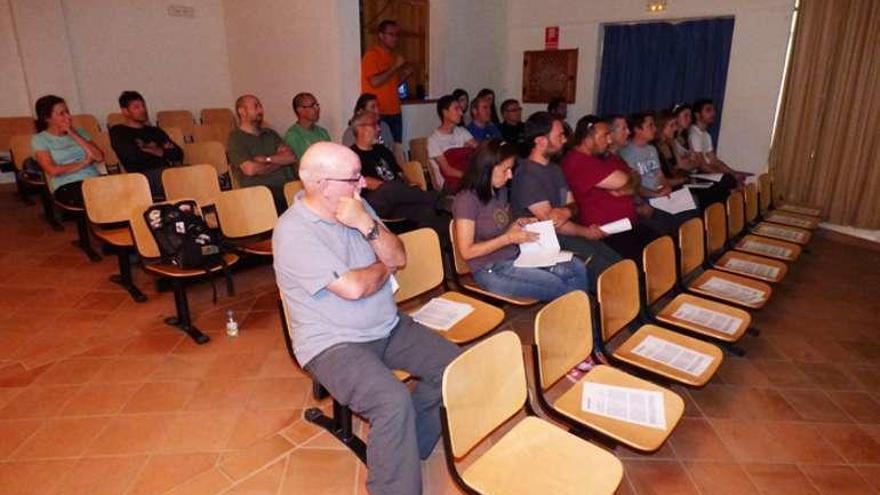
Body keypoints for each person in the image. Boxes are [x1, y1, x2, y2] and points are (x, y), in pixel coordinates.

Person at [273, 141, 460, 495]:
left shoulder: (357, 207)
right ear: (321, 184)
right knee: (392, 401)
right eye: (354, 177)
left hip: (385, 325)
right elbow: (355, 288)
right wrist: (381, 265)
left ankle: (407, 446)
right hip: (332, 343)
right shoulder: (293, 231)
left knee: (452, 365)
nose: (363, 184)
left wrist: (366, 225)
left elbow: (399, 256)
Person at [453, 139, 588, 300]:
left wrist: (517, 225)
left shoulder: (499, 190)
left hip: (515, 257)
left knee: (577, 266)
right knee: (561, 286)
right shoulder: (466, 199)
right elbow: (467, 252)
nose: (510, 176)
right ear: (487, 169)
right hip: (489, 269)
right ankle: (580, 321)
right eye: (506, 170)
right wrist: (509, 238)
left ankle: (578, 321)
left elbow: (500, 229)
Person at [511, 111, 621, 291]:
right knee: (610, 276)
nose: (564, 140)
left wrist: (567, 212)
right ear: (540, 141)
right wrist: (586, 231)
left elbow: (573, 206)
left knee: (621, 265)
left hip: (567, 235)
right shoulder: (527, 175)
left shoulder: (555, 169)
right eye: (560, 135)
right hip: (544, 243)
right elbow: (552, 224)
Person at [563, 115, 660, 261]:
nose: (609, 140)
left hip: (627, 225)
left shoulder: (601, 157)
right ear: (588, 139)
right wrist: (628, 182)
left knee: (664, 245)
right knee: (653, 256)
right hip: (607, 232)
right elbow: (625, 179)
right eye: (605, 136)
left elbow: (635, 178)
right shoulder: (578, 161)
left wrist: (628, 185)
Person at [349, 111, 449, 242]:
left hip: (397, 200)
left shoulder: (382, 150)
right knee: (388, 188)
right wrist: (398, 187)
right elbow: (366, 182)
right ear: (360, 128)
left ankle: (434, 249)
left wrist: (407, 186)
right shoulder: (351, 155)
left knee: (426, 211)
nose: (379, 129)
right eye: (374, 125)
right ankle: (438, 198)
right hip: (373, 204)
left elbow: (399, 174)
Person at [620, 112, 698, 235]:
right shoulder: (627, 152)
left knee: (693, 204)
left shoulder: (651, 149)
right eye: (650, 126)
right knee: (674, 220)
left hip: (659, 194)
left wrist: (666, 187)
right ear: (638, 129)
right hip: (646, 197)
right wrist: (655, 194)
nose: (655, 129)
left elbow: (660, 175)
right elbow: (634, 186)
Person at [227, 94, 298, 213]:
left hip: (287, 188)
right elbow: (250, 169)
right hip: (261, 193)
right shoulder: (236, 138)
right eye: (256, 106)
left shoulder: (270, 134)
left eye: (260, 106)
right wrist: (279, 161)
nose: (260, 110)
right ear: (242, 111)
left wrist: (266, 159)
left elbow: (291, 157)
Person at [31, 95, 104, 208]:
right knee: (101, 203)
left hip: (94, 179)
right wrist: (84, 163)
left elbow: (99, 157)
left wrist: (72, 133)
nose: (68, 116)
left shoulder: (80, 132)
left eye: (68, 112)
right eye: (62, 113)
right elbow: (53, 171)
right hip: (67, 185)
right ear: (47, 118)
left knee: (126, 194)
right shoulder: (40, 139)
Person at [109, 91, 183, 198]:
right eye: (137, 107)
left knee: (200, 173)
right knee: (175, 177)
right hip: (141, 177)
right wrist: (162, 150)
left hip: (166, 172)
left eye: (143, 106)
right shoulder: (119, 131)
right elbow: (132, 157)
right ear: (125, 111)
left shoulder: (154, 131)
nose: (143, 110)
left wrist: (147, 149)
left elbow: (178, 154)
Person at [361, 20, 414, 143]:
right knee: (379, 149)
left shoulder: (393, 57)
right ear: (381, 35)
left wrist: (405, 75)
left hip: (395, 111)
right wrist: (395, 67)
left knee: (396, 149)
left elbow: (392, 84)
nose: (395, 38)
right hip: (378, 113)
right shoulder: (372, 55)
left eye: (397, 35)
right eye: (391, 34)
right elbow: (374, 82)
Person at [688, 98, 749, 184]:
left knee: (735, 179)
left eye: (713, 110)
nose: (713, 113)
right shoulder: (694, 134)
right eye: (708, 110)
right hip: (699, 175)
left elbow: (714, 160)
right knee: (730, 181)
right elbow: (701, 165)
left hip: (708, 171)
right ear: (697, 115)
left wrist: (733, 172)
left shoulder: (706, 135)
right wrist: (726, 175)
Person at [426, 95, 476, 191]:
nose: (461, 113)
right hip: (448, 185)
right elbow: (447, 171)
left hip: (466, 179)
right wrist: (471, 177)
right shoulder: (433, 140)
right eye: (456, 109)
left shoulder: (462, 131)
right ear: (445, 112)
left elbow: (479, 150)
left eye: (461, 109)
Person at [284, 93, 331, 159]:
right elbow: (296, 165)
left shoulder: (323, 132)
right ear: (300, 110)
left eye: (317, 105)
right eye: (312, 106)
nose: (317, 109)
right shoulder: (292, 136)